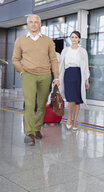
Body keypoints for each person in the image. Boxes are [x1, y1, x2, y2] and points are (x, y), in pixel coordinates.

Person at [12, 14, 59, 146]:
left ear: (40, 24)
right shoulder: (20, 40)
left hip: (45, 75)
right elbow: (15, 59)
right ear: (28, 24)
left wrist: (56, 77)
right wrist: (21, 71)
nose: (33, 24)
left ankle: (37, 129)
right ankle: (29, 133)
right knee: (29, 104)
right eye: (31, 22)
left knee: (42, 104)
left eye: (36, 22)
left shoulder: (48, 41)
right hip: (28, 75)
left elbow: (54, 60)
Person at [59, 31, 90, 131]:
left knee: (77, 100)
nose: (74, 39)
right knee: (70, 98)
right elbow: (61, 65)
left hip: (79, 74)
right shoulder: (65, 50)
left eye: (76, 37)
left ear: (79, 39)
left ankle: (75, 121)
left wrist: (87, 80)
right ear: (70, 38)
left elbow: (86, 67)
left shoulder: (83, 51)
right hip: (68, 74)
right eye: (72, 37)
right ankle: (69, 119)